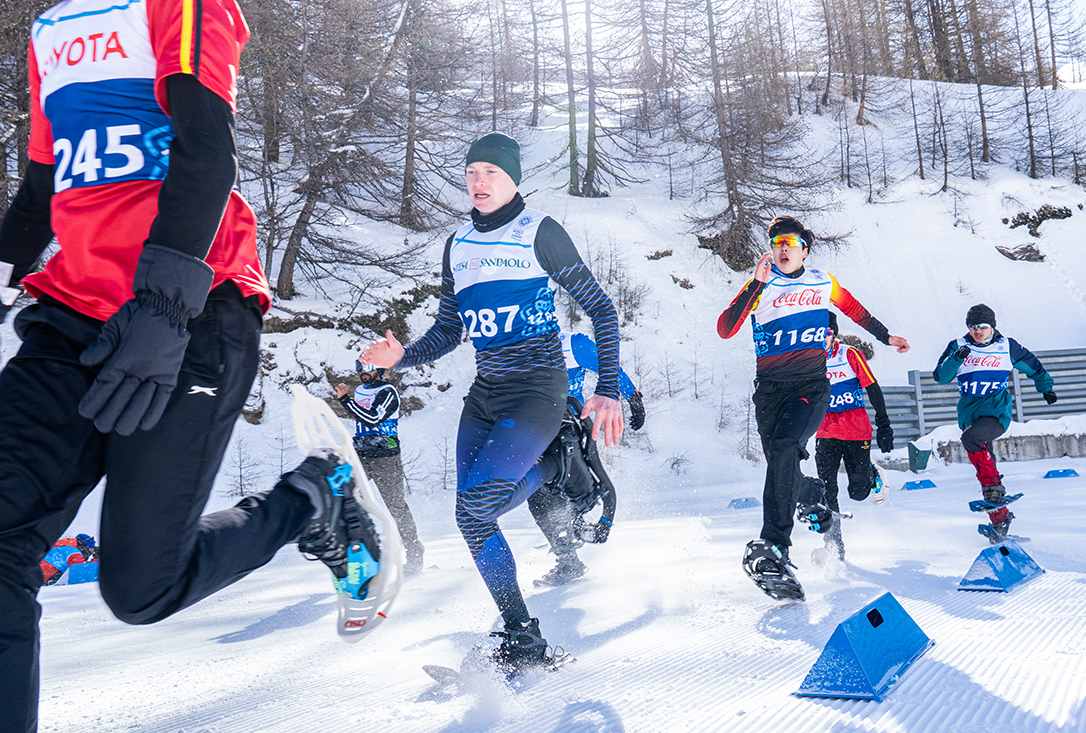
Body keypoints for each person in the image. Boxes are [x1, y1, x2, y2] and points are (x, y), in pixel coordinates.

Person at [0, 3, 378, 730]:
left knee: (140, 588)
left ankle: (311, 497)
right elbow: (45, 184)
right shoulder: (51, 27)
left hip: (193, 310)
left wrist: (164, 305)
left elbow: (207, 148)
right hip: (68, 318)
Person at [359, 132, 623, 672]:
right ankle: (550, 478)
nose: (479, 181)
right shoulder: (457, 243)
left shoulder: (540, 232)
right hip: (486, 394)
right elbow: (450, 329)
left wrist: (609, 390)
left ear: (514, 179)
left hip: (537, 390)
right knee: (474, 515)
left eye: (492, 172)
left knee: (476, 506)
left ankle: (526, 639)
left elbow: (603, 310)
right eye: (472, 171)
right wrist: (401, 356)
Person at [716, 215, 909, 600]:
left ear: (804, 248)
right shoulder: (760, 285)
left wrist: (887, 337)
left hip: (811, 386)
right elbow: (726, 328)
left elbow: (856, 311)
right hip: (769, 391)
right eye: (776, 242)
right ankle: (811, 494)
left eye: (789, 241)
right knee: (780, 463)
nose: (782, 248)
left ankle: (775, 549)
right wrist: (755, 283)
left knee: (787, 449)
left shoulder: (823, 282)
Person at [525, 331, 644, 586]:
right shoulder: (511, 349)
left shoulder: (571, 344)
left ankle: (575, 537)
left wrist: (633, 397)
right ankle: (568, 556)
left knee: (571, 489)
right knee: (536, 496)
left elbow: (607, 366)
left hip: (568, 430)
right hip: (532, 431)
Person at [932, 304, 1055, 540]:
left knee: (971, 438)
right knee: (984, 468)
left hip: (997, 411)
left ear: (992, 327)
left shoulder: (1007, 346)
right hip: (969, 414)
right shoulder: (958, 346)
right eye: (972, 326)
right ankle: (1000, 519)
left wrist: (1046, 388)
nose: (977, 331)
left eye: (982, 326)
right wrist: (955, 360)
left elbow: (1034, 367)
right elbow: (941, 377)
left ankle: (995, 492)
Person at [814, 311, 893, 561]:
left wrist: (884, 423)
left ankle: (870, 471)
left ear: (833, 334)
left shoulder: (848, 354)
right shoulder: (808, 360)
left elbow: (872, 387)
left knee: (858, 493)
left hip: (855, 429)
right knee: (827, 490)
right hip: (825, 431)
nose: (820, 339)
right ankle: (834, 543)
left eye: (825, 334)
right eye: (814, 334)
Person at [336, 362, 424, 574]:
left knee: (396, 507)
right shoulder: (359, 391)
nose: (363, 373)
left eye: (368, 368)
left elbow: (373, 419)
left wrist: (345, 400)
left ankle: (414, 554)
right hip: (361, 454)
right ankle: (356, 558)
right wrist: (348, 399)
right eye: (360, 368)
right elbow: (360, 418)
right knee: (343, 499)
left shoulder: (388, 392)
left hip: (386, 456)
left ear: (380, 369)